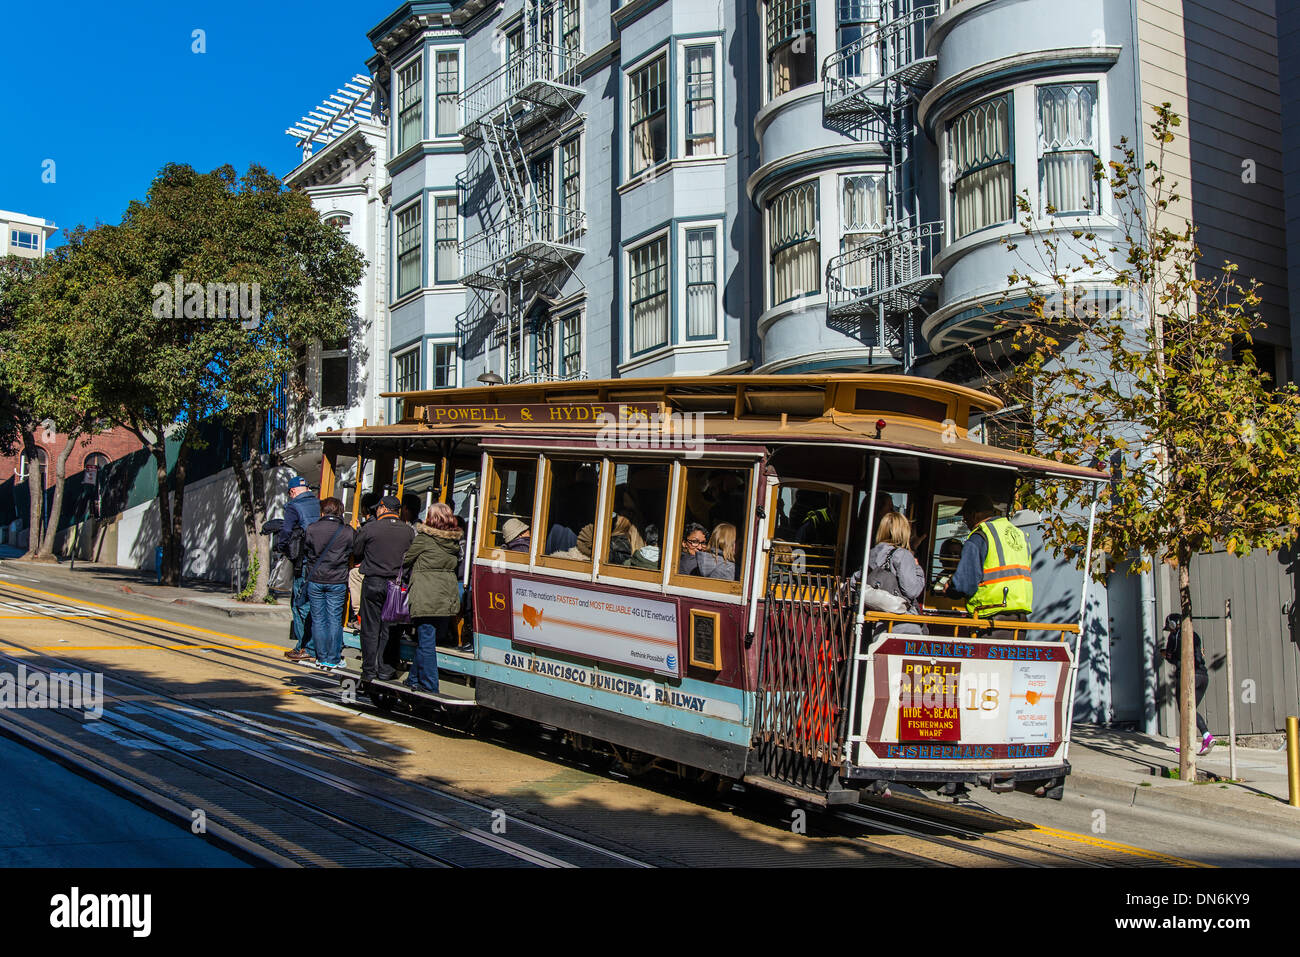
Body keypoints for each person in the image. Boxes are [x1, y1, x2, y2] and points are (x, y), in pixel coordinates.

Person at [945, 494, 1033, 638]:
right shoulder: (1019, 535)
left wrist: (950, 588)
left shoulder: (979, 536)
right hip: (1020, 623)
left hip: (990, 622)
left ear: (974, 514)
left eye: (965, 518)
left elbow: (965, 585)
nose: (965, 523)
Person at [351, 495, 416, 682]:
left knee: (370, 628)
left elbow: (356, 551)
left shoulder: (370, 528)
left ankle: (369, 669)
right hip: (396, 585)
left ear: (382, 508)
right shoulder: (408, 532)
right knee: (391, 629)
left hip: (373, 582)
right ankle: (386, 669)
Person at [402, 503, 464, 693]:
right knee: (428, 639)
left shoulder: (425, 539)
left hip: (426, 594)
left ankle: (430, 685)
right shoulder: (454, 543)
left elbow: (406, 559)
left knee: (426, 640)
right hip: (447, 595)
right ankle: (413, 678)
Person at [302, 498, 355, 669]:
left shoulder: (312, 529)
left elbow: (307, 551)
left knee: (318, 619)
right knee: (334, 619)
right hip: (337, 580)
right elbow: (354, 550)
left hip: (316, 578)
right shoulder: (347, 531)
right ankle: (333, 658)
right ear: (340, 511)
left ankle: (321, 656)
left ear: (322, 512)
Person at [279, 476, 321, 662]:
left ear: (293, 491)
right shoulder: (320, 504)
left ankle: (305, 646)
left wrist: (281, 548)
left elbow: (286, 533)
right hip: (320, 561)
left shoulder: (293, 506)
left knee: (299, 603)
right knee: (314, 604)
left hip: (302, 561)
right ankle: (312, 646)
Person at [865, 512, 927, 634]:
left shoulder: (871, 553)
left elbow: (856, 580)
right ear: (904, 532)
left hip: (875, 625)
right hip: (901, 624)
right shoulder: (902, 555)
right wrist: (917, 569)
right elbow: (912, 591)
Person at [1163, 613, 1214, 755]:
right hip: (1203, 676)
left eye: (1170, 627)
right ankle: (1203, 737)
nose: (1170, 630)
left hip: (1187, 676)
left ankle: (1197, 740)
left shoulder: (1175, 637)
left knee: (1185, 709)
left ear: (1174, 625)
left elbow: (1171, 656)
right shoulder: (1194, 635)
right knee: (1191, 710)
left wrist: (1167, 656)